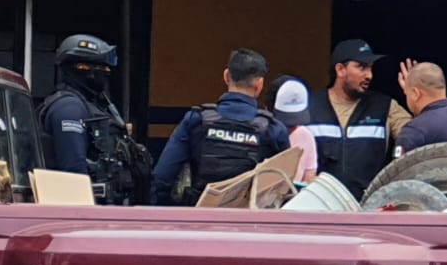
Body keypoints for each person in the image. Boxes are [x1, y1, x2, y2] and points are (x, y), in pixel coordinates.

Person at [151, 50, 290, 205]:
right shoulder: (273, 129)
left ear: (226, 76)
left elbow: (163, 177)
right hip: (249, 222)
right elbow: (284, 187)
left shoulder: (197, 120)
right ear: (259, 84)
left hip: (201, 219)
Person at [39, 34, 151, 205]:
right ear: (82, 67)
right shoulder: (69, 109)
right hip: (85, 211)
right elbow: (73, 173)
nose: (107, 73)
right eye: (102, 68)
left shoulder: (97, 106)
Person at [306, 39, 411, 197]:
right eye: (361, 67)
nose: (369, 75)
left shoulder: (385, 106)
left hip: (369, 207)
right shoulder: (309, 105)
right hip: (319, 206)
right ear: (340, 69)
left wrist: (415, 95)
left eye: (370, 68)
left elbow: (420, 136)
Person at [270, 76, 319, 184]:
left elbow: (309, 178)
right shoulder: (260, 134)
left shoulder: (305, 135)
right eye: (286, 123)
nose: (292, 127)